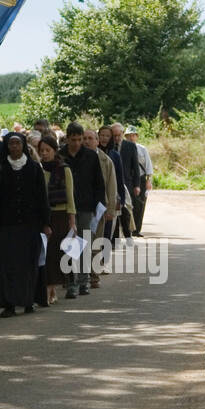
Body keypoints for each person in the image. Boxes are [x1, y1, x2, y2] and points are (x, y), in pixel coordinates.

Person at [0, 131, 49, 317]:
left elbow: (42, 198)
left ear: (23, 145)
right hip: (7, 225)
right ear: (7, 146)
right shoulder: (0, 168)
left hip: (30, 225)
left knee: (28, 264)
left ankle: (28, 301)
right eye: (11, 144)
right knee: (8, 265)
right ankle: (8, 304)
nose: (14, 147)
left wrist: (45, 223)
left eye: (17, 143)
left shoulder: (34, 168)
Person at [63, 124, 105, 298]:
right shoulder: (61, 156)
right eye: (73, 140)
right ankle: (71, 282)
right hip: (65, 207)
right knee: (69, 245)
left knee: (84, 243)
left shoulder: (90, 156)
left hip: (86, 206)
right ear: (67, 139)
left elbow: (98, 183)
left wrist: (98, 205)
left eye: (79, 140)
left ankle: (84, 280)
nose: (77, 143)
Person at [38, 134, 76, 305]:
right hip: (45, 216)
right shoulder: (38, 169)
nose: (45, 154)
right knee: (46, 254)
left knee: (56, 253)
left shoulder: (64, 169)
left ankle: (53, 288)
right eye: (42, 151)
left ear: (54, 150)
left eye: (48, 150)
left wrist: (72, 221)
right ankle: (48, 287)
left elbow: (70, 196)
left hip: (60, 215)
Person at [87, 127, 119, 287]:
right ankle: (77, 276)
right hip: (81, 207)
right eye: (84, 138)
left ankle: (93, 275)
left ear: (97, 141)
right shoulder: (75, 159)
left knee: (96, 240)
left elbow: (112, 188)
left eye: (90, 138)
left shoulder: (106, 161)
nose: (87, 142)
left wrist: (111, 210)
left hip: (99, 208)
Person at [126, 125, 152, 235]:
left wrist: (148, 180)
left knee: (140, 204)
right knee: (128, 204)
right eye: (129, 135)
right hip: (128, 179)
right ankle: (128, 228)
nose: (131, 138)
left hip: (140, 178)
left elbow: (148, 165)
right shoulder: (123, 148)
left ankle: (137, 229)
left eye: (133, 135)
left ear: (136, 136)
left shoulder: (142, 149)